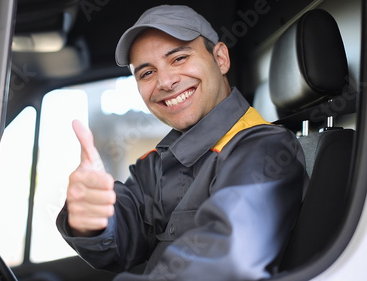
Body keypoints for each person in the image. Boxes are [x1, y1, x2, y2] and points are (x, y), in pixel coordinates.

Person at [56, 4, 307, 281]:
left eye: (179, 58)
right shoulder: (159, 162)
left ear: (221, 58)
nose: (165, 81)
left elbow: (224, 266)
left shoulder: (262, 150)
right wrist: (90, 221)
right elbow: (123, 237)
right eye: (147, 73)